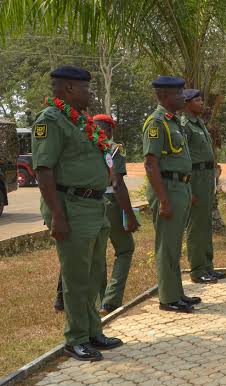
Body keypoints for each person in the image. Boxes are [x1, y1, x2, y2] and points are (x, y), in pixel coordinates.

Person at [34, 65, 123, 361]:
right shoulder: (50, 120)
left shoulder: (81, 121)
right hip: (71, 207)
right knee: (75, 277)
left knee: (95, 273)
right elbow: (44, 171)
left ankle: (92, 332)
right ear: (69, 88)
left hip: (94, 206)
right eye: (86, 88)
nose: (90, 93)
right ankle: (75, 338)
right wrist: (58, 216)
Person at [142, 75, 201, 313]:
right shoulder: (156, 123)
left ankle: (177, 293)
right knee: (167, 246)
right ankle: (167, 298)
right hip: (167, 188)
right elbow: (150, 164)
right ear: (164, 96)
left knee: (175, 244)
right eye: (178, 93)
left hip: (180, 187)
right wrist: (164, 199)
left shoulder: (173, 122)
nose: (182, 97)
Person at [94, 114, 140, 316]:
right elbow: (117, 184)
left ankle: (100, 300)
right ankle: (110, 301)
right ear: (111, 129)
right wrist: (129, 214)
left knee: (98, 252)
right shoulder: (113, 149)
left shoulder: (86, 146)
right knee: (125, 248)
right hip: (110, 202)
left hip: (90, 202)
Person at [181, 89, 225, 283]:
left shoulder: (199, 124)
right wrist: (188, 186)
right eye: (197, 100)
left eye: (201, 100)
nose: (201, 103)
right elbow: (183, 158)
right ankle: (197, 270)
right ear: (187, 103)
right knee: (196, 225)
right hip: (195, 177)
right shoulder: (185, 126)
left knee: (205, 224)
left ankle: (208, 266)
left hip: (207, 177)